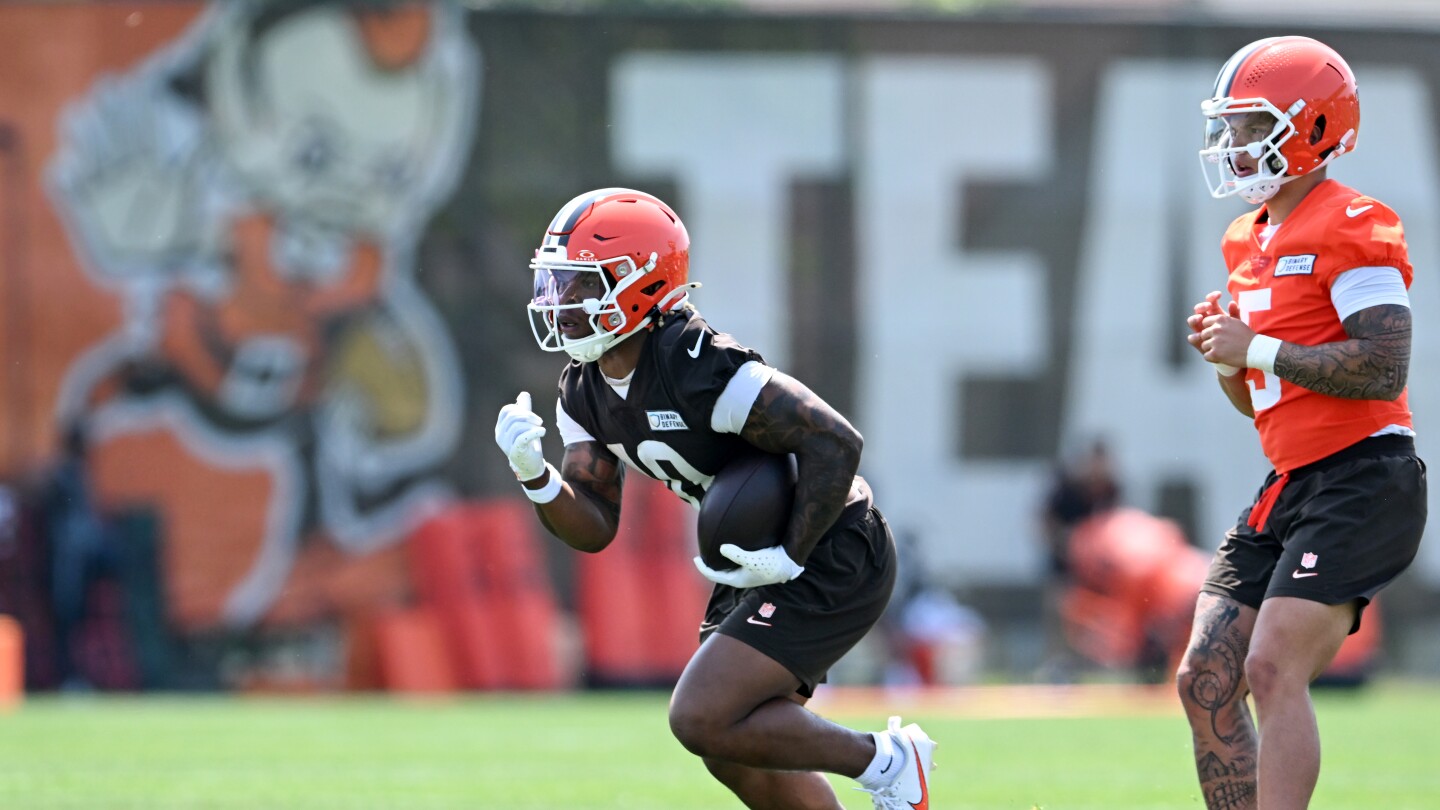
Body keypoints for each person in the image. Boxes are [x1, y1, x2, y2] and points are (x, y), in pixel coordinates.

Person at [494, 188, 935, 809]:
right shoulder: (583, 387)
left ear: (640, 283)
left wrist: (789, 553)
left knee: (699, 715)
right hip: (759, 559)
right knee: (727, 748)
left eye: (581, 285)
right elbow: (594, 526)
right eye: (556, 284)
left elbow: (835, 441)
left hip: (834, 544)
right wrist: (534, 475)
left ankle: (888, 761)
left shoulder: (696, 364)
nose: (561, 304)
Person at [1180, 36, 1426, 809]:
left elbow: (1384, 365)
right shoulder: (1245, 240)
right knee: (1205, 676)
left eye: (1254, 127)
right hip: (1290, 480)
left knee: (1270, 665)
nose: (1236, 145)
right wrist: (1232, 364)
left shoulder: (1354, 221)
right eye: (1234, 128)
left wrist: (1257, 344)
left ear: (1312, 127)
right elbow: (1261, 400)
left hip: (1365, 474)